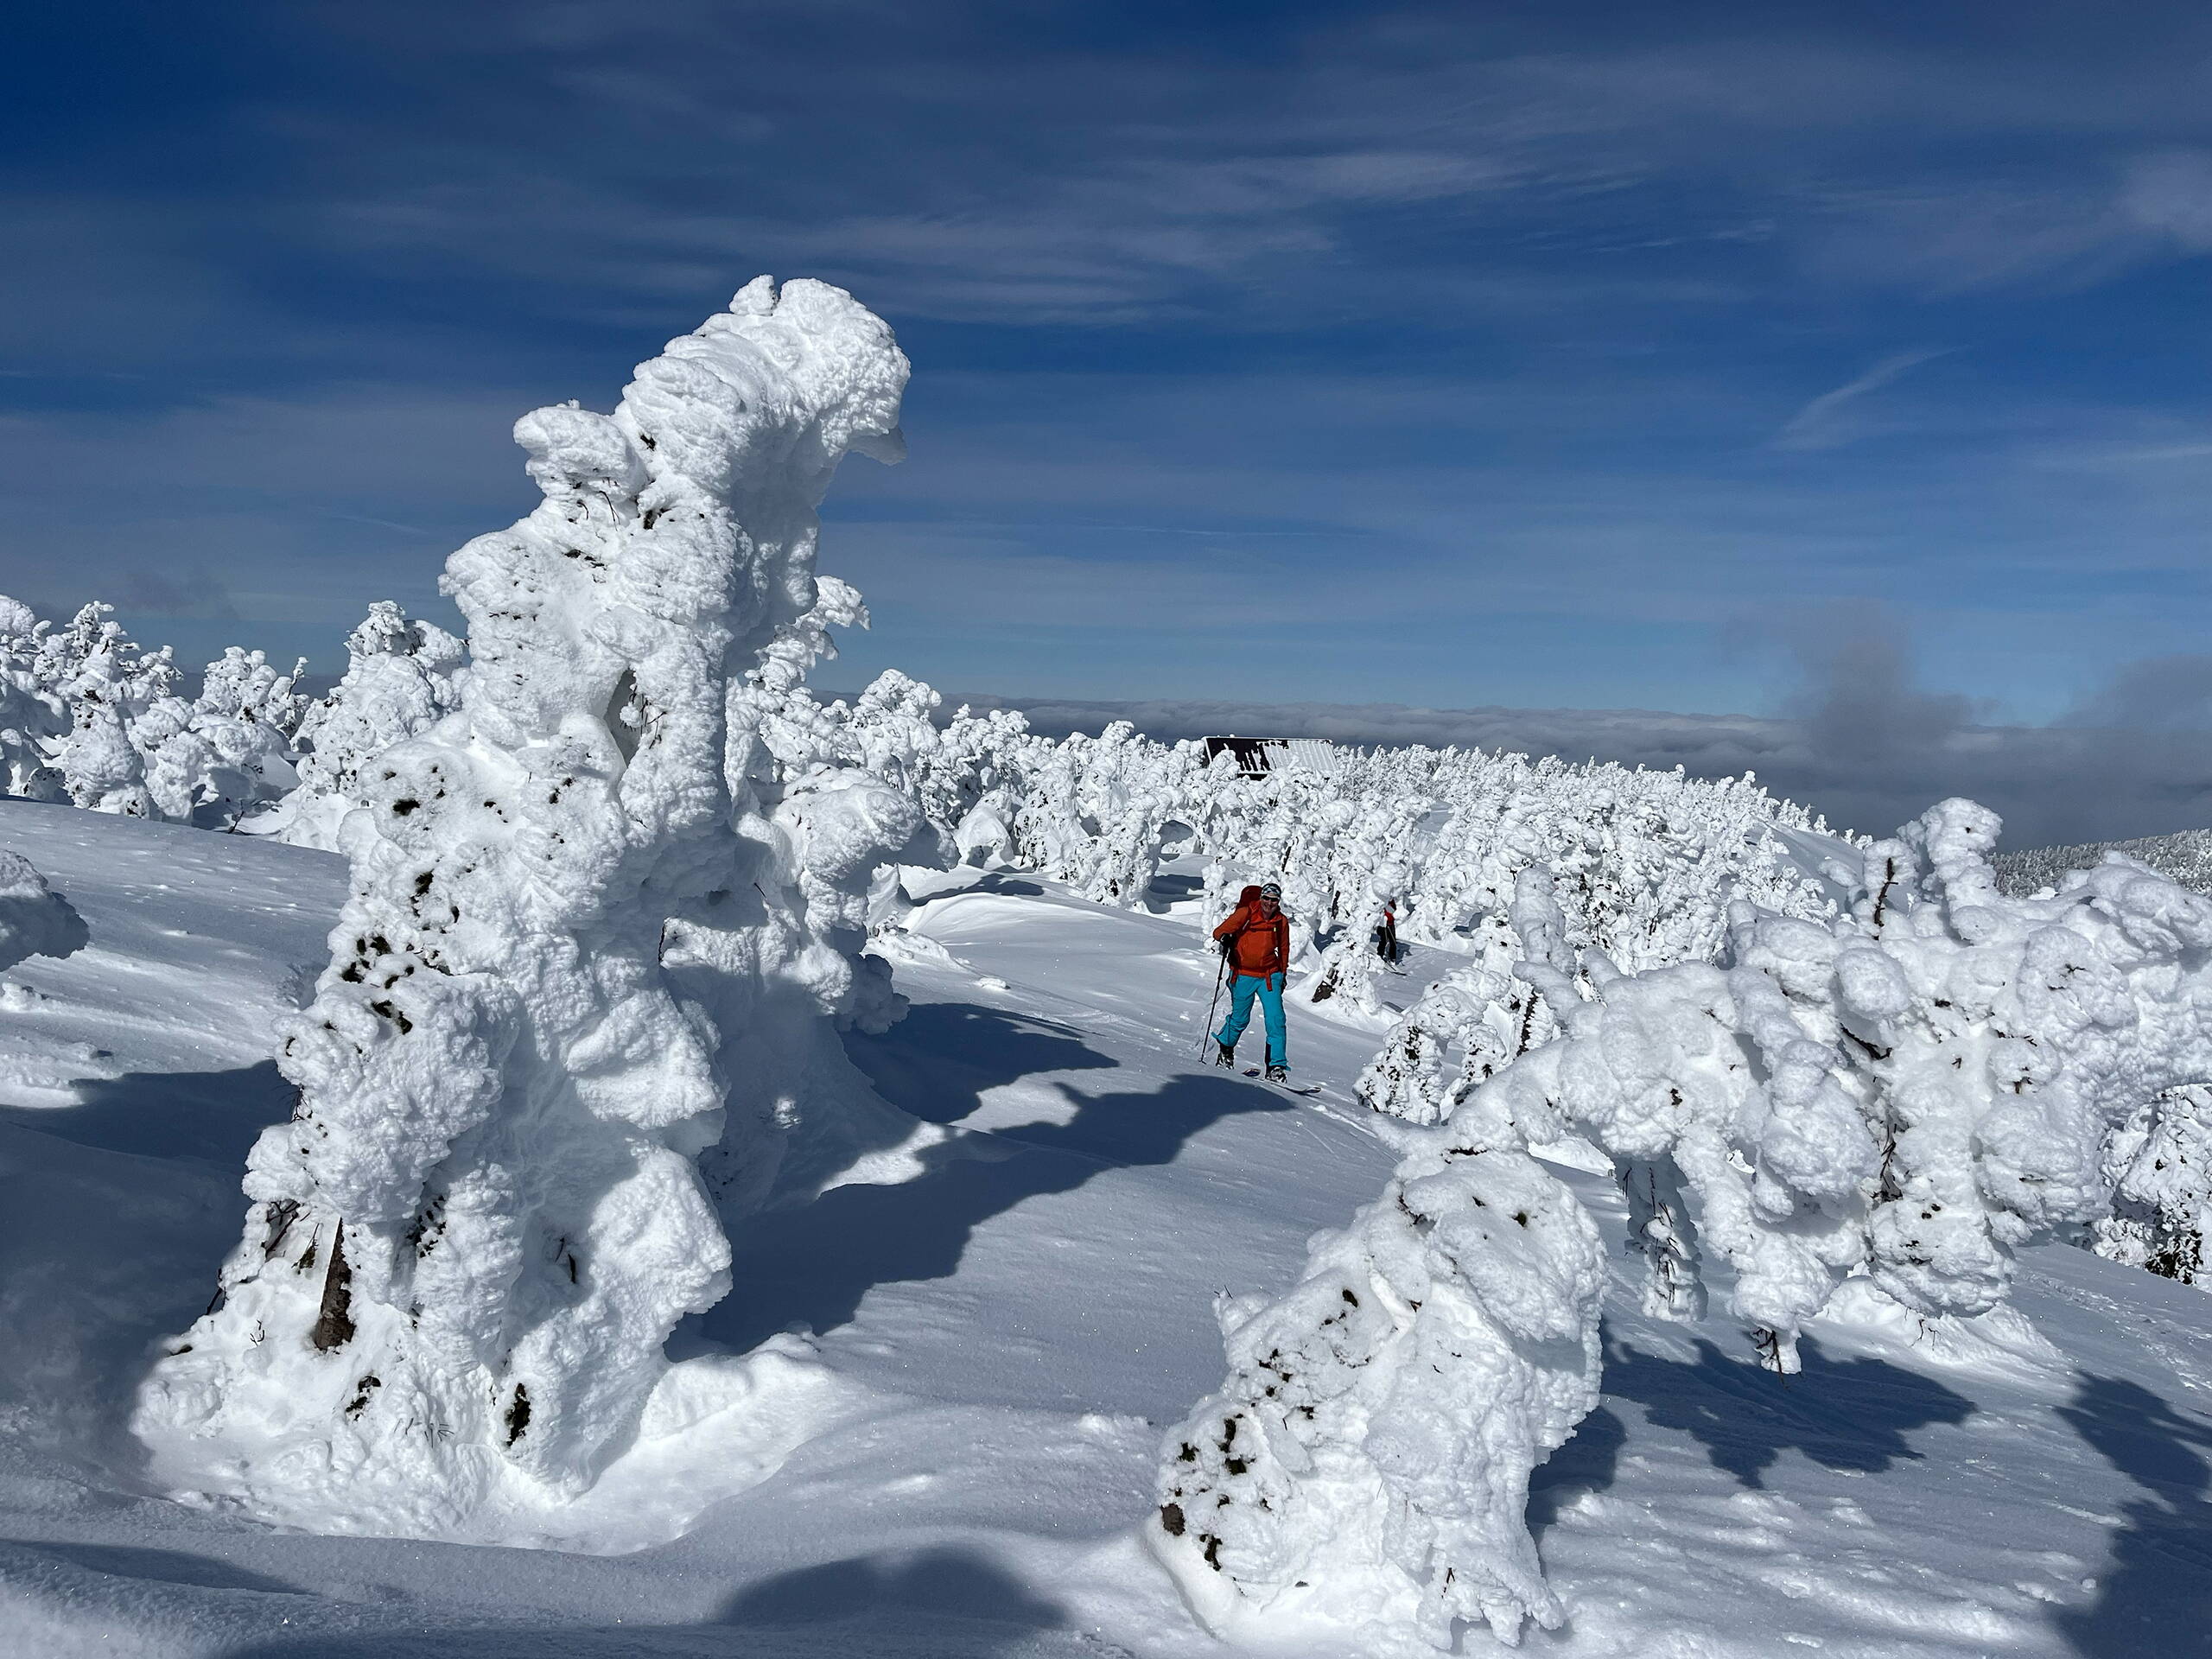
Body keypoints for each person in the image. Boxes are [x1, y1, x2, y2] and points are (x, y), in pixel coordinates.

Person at [1212, 880, 1292, 1081]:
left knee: (1276, 1020)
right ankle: (1226, 1050)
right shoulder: (1246, 913)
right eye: (1266, 898)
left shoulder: (1281, 921)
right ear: (1261, 897)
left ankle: (1275, 1067)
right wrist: (1225, 938)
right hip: (1243, 974)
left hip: (1269, 976)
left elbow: (1284, 949)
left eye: (1274, 900)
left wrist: (1282, 974)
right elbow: (1218, 932)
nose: (1269, 903)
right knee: (1240, 1019)